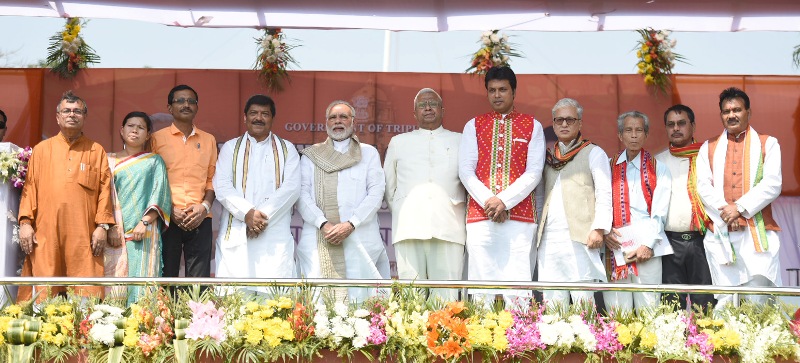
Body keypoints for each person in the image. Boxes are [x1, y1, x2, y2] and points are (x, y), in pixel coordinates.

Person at [458, 66, 545, 308]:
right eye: (492, 90)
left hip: (519, 217)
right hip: (481, 216)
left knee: (518, 287)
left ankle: (520, 341)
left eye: (503, 90)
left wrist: (504, 201)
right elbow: (466, 171)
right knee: (480, 285)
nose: (497, 95)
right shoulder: (473, 125)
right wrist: (492, 203)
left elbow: (534, 172)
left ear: (514, 92)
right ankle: (480, 338)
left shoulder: (532, 126)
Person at [17, 91, 115, 301]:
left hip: (84, 235)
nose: (72, 114)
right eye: (67, 111)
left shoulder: (96, 151)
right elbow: (30, 188)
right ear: (57, 117)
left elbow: (105, 191)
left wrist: (102, 227)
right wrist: (25, 222)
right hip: (46, 233)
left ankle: (83, 330)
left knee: (84, 291)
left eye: (77, 111)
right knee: (45, 290)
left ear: (84, 116)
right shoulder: (42, 150)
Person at [696, 87, 783, 308]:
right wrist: (727, 212)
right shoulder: (708, 147)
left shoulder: (768, 143)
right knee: (726, 300)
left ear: (748, 112)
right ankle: (727, 343)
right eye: (726, 111)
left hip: (756, 232)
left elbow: (773, 184)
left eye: (737, 109)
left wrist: (740, 208)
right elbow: (702, 186)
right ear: (721, 115)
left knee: (758, 298)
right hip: (723, 231)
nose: (731, 115)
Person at [296, 100, 389, 303]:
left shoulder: (368, 153)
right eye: (333, 117)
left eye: (343, 117)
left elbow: (376, 192)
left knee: (361, 301)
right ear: (326, 122)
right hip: (320, 236)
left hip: (360, 235)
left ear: (353, 122)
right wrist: (323, 224)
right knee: (317, 300)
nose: (338, 121)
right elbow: (302, 194)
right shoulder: (312, 155)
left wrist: (351, 224)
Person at [384, 88, 466, 301]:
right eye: (422, 105)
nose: (428, 108)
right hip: (408, 227)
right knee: (412, 298)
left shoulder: (460, 140)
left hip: (449, 226)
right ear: (414, 113)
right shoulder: (399, 142)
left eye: (433, 104)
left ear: (443, 110)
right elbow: (388, 187)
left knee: (446, 299)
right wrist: (407, 209)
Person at [213, 95, 300, 292]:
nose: (258, 118)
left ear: (272, 119)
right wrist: (247, 214)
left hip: (273, 233)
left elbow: (292, 188)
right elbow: (222, 185)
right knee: (234, 299)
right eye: (253, 113)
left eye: (264, 114)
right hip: (237, 231)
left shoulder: (287, 149)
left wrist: (258, 217)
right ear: (245, 117)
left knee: (275, 299)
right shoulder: (230, 147)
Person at [536, 98, 611, 308]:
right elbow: (541, 197)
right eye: (559, 120)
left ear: (580, 123)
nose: (564, 124)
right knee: (552, 302)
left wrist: (599, 228)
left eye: (570, 120)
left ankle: (584, 341)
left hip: (581, 237)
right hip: (550, 239)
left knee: (582, 300)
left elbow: (605, 193)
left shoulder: (593, 153)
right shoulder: (549, 157)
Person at [603, 111, 672, 313]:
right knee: (617, 312)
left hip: (648, 247)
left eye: (639, 130)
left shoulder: (658, 167)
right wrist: (605, 232)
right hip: (615, 245)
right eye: (628, 130)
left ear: (646, 135)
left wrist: (647, 245)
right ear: (620, 135)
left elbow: (660, 212)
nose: (634, 135)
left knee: (649, 310)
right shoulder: (608, 165)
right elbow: (600, 203)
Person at [151, 85, 217, 279]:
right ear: (170, 108)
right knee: (166, 275)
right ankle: (166, 311)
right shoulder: (156, 138)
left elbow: (212, 178)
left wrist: (204, 207)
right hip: (167, 217)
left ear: (197, 107)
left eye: (191, 101)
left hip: (200, 217)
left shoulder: (208, 140)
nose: (186, 105)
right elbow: (153, 180)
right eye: (180, 101)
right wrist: (169, 208)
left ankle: (198, 311)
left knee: (199, 280)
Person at [106, 112, 172, 304]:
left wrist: (144, 222)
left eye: (141, 127)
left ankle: (143, 330)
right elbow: (102, 198)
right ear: (122, 130)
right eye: (130, 126)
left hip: (143, 233)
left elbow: (160, 194)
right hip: (114, 234)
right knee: (114, 291)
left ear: (148, 134)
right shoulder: (108, 160)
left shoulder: (154, 161)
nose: (135, 130)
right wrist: (109, 226)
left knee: (142, 289)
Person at [655, 104, 715, 310]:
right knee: (672, 307)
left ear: (693, 126)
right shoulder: (658, 162)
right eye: (670, 124)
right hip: (670, 244)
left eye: (681, 123)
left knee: (705, 306)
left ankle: (705, 343)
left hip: (703, 241)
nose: (676, 128)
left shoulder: (708, 158)